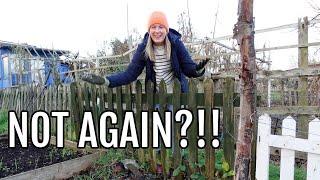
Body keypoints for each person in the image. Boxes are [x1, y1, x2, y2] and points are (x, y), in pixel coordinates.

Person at [81, 11, 209, 93]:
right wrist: (105, 81)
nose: (157, 31)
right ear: (149, 30)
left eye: (161, 27)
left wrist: (197, 70)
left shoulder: (176, 43)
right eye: (153, 27)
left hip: (177, 93)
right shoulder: (144, 47)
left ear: (166, 30)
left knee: (175, 132)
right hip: (157, 95)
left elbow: (187, 68)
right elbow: (130, 74)